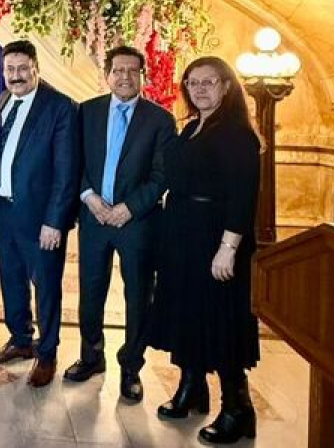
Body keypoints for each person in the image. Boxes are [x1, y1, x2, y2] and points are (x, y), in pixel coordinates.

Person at [149, 56, 261, 444]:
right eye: (192, 82)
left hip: (216, 238)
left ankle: (238, 409)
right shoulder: (192, 127)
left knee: (221, 320)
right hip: (182, 237)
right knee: (187, 314)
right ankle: (192, 389)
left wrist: (228, 248)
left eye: (208, 82)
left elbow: (244, 196)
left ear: (226, 87)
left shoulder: (236, 134)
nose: (199, 89)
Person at [64, 45, 175, 404]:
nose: (125, 77)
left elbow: (162, 175)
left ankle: (131, 367)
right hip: (94, 218)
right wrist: (89, 197)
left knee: (138, 295)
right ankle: (91, 356)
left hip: (137, 223)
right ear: (107, 75)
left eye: (132, 71)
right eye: (118, 70)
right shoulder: (86, 112)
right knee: (91, 291)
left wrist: (129, 208)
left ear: (142, 75)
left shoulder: (160, 120)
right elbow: (73, 161)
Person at [0, 41, 79, 388]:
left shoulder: (60, 107)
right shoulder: (2, 100)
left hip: (41, 217)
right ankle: (21, 339)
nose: (16, 76)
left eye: (23, 68)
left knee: (46, 286)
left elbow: (66, 171)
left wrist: (55, 221)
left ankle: (47, 352)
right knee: (10, 279)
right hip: (5, 210)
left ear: (36, 68)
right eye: (9, 69)